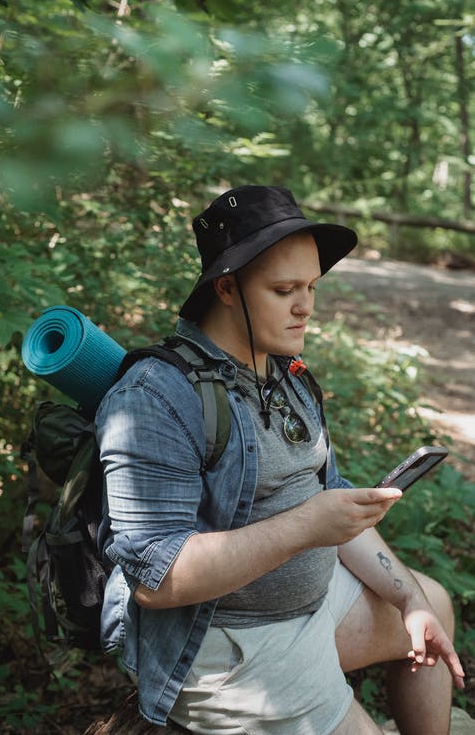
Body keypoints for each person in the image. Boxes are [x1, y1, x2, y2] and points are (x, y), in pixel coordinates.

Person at [95, 185, 464, 735]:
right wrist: (307, 525)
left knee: (431, 603)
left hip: (310, 612)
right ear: (226, 288)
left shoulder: (286, 376)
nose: (306, 306)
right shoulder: (156, 395)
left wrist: (406, 597)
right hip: (227, 645)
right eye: (284, 289)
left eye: (312, 286)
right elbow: (157, 577)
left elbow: (331, 506)